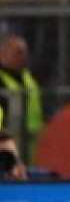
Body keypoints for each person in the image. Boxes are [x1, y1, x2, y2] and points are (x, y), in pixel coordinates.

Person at [0, 33, 44, 161]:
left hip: (31, 146)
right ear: (4, 53)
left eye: (25, 52)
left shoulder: (29, 78)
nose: (23, 56)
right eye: (18, 52)